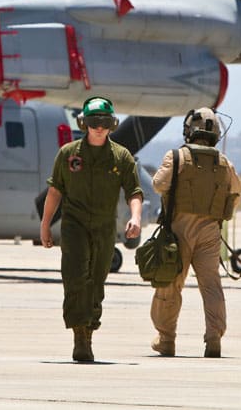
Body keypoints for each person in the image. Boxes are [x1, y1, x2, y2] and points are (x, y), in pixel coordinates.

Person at [40, 96, 143, 362]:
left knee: (96, 282)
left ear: (112, 124)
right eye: (94, 121)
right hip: (74, 225)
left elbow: (134, 191)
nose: (99, 127)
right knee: (75, 277)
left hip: (104, 227)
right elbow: (55, 191)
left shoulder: (121, 157)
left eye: (105, 122)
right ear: (84, 123)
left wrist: (135, 217)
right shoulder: (68, 154)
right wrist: (45, 225)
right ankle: (80, 336)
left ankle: (89, 329)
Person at [149, 107, 241, 358]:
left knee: (170, 284)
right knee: (211, 286)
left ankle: (166, 339)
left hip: (178, 231)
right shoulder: (224, 163)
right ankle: (214, 338)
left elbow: (158, 184)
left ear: (189, 129)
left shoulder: (176, 157)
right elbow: (236, 192)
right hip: (210, 231)